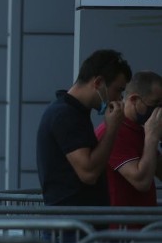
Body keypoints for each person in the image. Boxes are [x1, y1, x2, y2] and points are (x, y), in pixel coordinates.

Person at [36, 49, 132, 207]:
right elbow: (88, 173)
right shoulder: (65, 115)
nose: (119, 99)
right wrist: (112, 129)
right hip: (71, 226)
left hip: (78, 223)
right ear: (98, 83)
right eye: (118, 90)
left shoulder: (76, 112)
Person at [94, 70, 162, 208]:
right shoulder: (113, 132)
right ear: (134, 100)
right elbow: (141, 181)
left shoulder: (142, 130)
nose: (158, 112)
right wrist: (152, 138)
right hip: (120, 225)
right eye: (155, 104)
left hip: (143, 226)